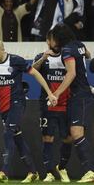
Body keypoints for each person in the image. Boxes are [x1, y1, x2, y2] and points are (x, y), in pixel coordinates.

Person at [0, 39, 57, 183]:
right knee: (17, 138)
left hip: (17, 102)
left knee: (8, 133)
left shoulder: (16, 61)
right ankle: (32, 172)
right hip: (2, 105)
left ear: (2, 50)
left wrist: (49, 92)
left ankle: (4, 172)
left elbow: (35, 74)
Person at [49, 24, 94, 183]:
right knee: (68, 136)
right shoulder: (79, 45)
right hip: (81, 95)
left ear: (59, 38)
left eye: (53, 37)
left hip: (79, 96)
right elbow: (88, 54)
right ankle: (61, 167)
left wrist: (56, 93)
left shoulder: (67, 50)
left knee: (76, 133)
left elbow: (72, 73)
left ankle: (90, 171)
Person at [32, 30, 72, 182]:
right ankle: (49, 172)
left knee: (68, 138)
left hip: (65, 103)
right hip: (47, 104)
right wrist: (43, 58)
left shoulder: (67, 56)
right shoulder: (43, 57)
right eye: (51, 39)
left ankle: (62, 168)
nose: (54, 42)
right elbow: (32, 70)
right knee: (47, 137)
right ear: (48, 41)